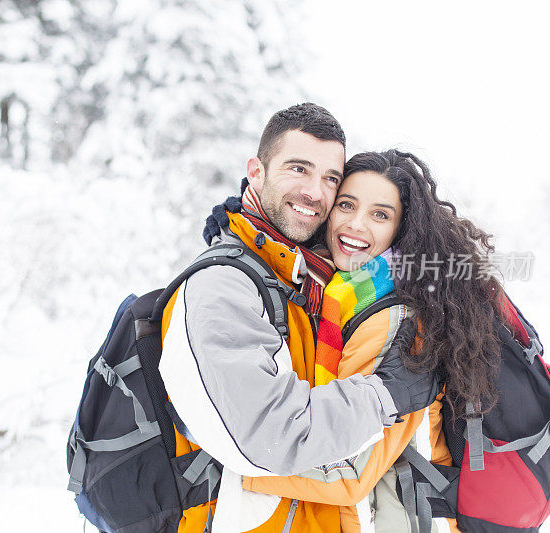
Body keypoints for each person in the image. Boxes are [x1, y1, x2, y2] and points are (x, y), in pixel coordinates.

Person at [158, 104, 441, 532]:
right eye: (299, 168)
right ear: (256, 171)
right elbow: (271, 437)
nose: (316, 192)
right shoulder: (225, 284)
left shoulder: (309, 282)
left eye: (330, 178)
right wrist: (385, 395)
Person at [208, 150, 510, 532]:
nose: (355, 225)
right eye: (346, 205)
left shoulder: (396, 319)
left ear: (403, 231)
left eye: (380, 215)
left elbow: (348, 470)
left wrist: (232, 462)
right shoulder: (339, 293)